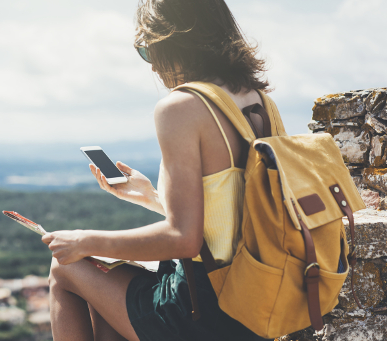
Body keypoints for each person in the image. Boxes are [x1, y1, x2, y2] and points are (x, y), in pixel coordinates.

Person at [41, 0, 278, 340]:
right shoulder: (258, 102)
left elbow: (183, 239)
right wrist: (150, 196)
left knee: (65, 268)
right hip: (255, 297)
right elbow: (234, 215)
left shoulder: (181, 107)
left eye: (148, 49)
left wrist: (83, 241)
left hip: (202, 310)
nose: (152, 67)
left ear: (177, 40)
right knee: (105, 294)